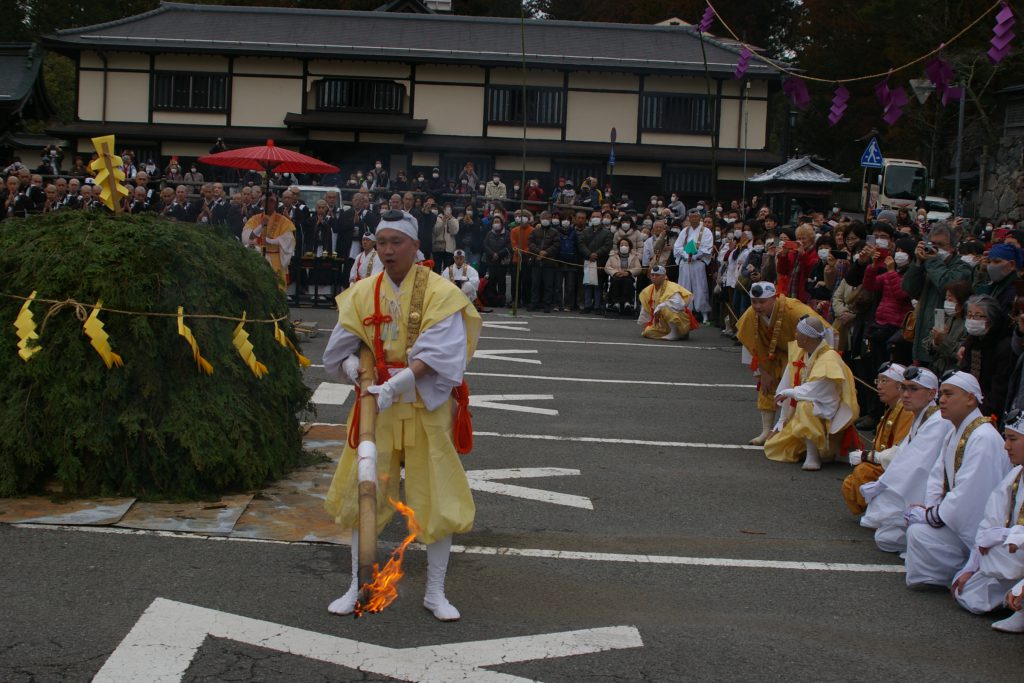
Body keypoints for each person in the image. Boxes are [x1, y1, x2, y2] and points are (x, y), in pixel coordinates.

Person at [321, 209, 481, 621]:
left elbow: (442, 353)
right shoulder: (362, 292)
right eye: (381, 242)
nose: (387, 250)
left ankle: (435, 591)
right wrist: (357, 370)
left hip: (425, 406)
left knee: (437, 497)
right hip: (376, 408)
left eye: (397, 242)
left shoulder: (441, 291)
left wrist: (397, 384)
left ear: (416, 246)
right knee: (363, 491)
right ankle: (357, 585)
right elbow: (337, 350)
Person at [904, 372, 1011, 589]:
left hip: (977, 529)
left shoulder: (984, 438)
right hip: (956, 518)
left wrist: (932, 516)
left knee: (974, 597)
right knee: (916, 531)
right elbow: (937, 477)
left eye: (949, 394)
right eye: (941, 394)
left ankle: (966, 568)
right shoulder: (956, 431)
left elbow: (970, 496)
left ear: (970, 399)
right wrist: (931, 510)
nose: (942, 400)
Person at [860, 367, 950, 553]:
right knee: (885, 537)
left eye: (913, 389)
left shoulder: (938, 421)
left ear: (931, 393)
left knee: (887, 536)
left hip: (930, 492)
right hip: (916, 484)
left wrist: (883, 485)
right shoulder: (923, 416)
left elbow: (915, 465)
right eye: (904, 388)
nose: (906, 395)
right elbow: (904, 453)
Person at [951, 409, 1024, 622]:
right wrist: (971, 566)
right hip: (1011, 561)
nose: (1006, 447)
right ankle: (1012, 599)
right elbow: (989, 524)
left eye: (1012, 439)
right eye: (1005, 439)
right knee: (967, 593)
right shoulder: (1015, 474)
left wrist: (1011, 536)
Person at [735, 282, 827, 446]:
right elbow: (750, 344)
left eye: (762, 302)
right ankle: (766, 431)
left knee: (793, 389)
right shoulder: (751, 315)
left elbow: (823, 332)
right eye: (754, 302)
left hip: (799, 353)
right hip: (769, 355)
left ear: (774, 298)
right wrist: (762, 372)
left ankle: (790, 430)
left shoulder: (795, 310)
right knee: (766, 387)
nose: (757, 306)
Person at [765, 315, 859, 470]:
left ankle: (814, 455)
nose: (795, 335)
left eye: (798, 333)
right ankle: (813, 449)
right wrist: (780, 423)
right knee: (776, 447)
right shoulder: (801, 352)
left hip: (827, 411)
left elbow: (815, 392)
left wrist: (789, 392)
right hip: (807, 407)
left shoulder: (829, 358)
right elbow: (787, 383)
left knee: (806, 404)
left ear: (807, 337)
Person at [841, 362, 916, 515]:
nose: (879, 386)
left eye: (884, 381)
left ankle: (882, 511)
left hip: (895, 470)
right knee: (853, 481)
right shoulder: (894, 408)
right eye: (878, 381)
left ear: (899, 386)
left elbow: (901, 452)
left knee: (863, 472)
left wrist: (869, 457)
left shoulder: (907, 412)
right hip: (884, 464)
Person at [901, 222, 973, 366]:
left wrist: (932, 261)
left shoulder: (962, 268)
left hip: (946, 341)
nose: (935, 249)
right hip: (923, 336)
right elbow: (909, 288)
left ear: (952, 248)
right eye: (932, 244)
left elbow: (947, 286)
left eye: (940, 245)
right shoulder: (928, 265)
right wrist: (918, 264)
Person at [959, 294, 1017, 419]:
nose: (972, 319)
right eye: (969, 315)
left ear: (991, 319)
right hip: (968, 405)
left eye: (978, 315)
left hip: (989, 412)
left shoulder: (1003, 346)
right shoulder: (971, 342)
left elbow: (999, 389)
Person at [242, 193, 296, 290]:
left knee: (276, 288)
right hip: (257, 258)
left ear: (276, 204)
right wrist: (261, 225)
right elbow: (247, 238)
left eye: (271, 201)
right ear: (262, 203)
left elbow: (288, 240)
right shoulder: (254, 219)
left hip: (275, 258)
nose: (268, 204)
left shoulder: (283, 221)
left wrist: (269, 241)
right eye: (266, 201)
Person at [673, 210, 714, 322]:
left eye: (696, 217)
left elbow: (707, 247)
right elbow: (677, 246)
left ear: (699, 218)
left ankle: (704, 312)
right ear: (689, 219)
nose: (694, 219)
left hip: (698, 262)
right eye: (691, 217)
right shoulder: (685, 231)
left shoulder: (706, 232)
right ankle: (686, 311)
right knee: (684, 286)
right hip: (686, 262)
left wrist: (695, 255)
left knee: (700, 287)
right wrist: (685, 254)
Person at [637, 265, 693, 341]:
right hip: (661, 322)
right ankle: (678, 334)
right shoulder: (648, 290)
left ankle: (676, 332)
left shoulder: (671, 287)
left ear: (664, 276)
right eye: (652, 275)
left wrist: (660, 306)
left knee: (665, 308)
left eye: (657, 275)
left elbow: (680, 305)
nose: (654, 277)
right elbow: (646, 307)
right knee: (647, 332)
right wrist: (646, 323)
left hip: (678, 319)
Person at [528, 212, 560, 313]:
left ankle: (547, 304)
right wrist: (538, 252)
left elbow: (557, 245)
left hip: (549, 262)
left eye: (547, 218)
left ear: (550, 219)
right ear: (540, 219)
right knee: (535, 284)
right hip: (536, 261)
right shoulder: (535, 231)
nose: (545, 219)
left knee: (548, 285)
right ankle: (534, 303)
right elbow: (530, 243)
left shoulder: (555, 232)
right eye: (543, 218)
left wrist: (546, 252)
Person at [605, 238, 642, 315]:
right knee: (615, 281)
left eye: (626, 245)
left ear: (629, 246)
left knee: (627, 281)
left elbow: (638, 268)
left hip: (628, 276)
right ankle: (616, 303)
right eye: (622, 245)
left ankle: (627, 302)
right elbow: (607, 267)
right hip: (616, 275)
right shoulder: (612, 256)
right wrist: (615, 272)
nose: (624, 246)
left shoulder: (634, 257)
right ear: (618, 247)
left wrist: (628, 272)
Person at [481, 215, 510, 306]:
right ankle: (492, 300)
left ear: (502, 223)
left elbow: (508, 246)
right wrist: (492, 254)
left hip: (502, 261)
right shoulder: (489, 233)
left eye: (498, 222)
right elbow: (485, 245)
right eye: (494, 222)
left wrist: (499, 254)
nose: (496, 224)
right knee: (492, 281)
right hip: (491, 260)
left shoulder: (507, 233)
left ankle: (501, 300)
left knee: (501, 281)